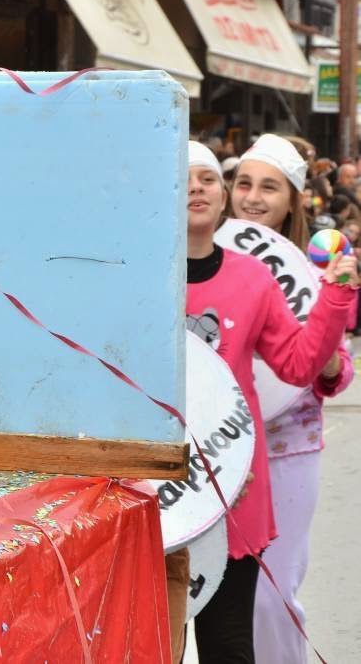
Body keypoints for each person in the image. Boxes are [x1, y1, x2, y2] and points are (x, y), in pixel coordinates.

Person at [183, 141, 355, 662]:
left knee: (231, 641)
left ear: (220, 198)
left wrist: (334, 297)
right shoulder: (139, 276)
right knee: (155, 638)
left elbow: (299, 365)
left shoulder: (254, 277)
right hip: (163, 485)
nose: (196, 189)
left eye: (207, 179)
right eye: (183, 179)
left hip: (237, 480)